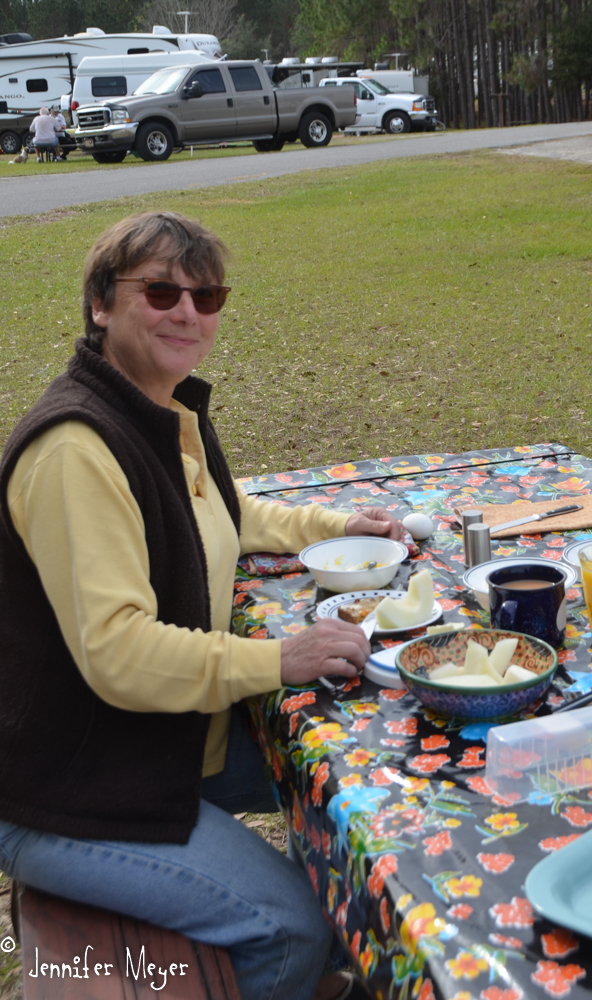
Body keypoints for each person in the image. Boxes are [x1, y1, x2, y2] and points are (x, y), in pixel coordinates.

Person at [0, 211, 402, 1000]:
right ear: (100, 305)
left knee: (365, 786)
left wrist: (336, 524)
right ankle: (310, 971)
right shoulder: (77, 448)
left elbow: (227, 510)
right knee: (290, 927)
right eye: (158, 291)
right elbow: (118, 654)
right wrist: (278, 659)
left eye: (206, 295)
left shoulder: (161, 408)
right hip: (65, 787)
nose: (186, 310)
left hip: (153, 738)